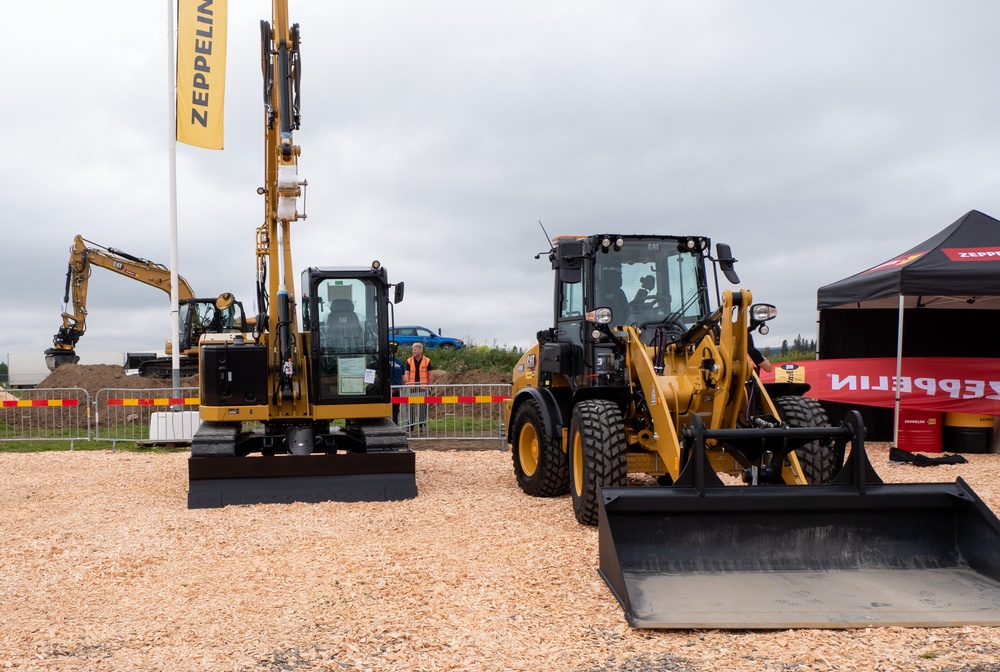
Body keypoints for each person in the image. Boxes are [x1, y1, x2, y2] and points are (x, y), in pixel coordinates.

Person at [404, 343, 433, 430]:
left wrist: (430, 386)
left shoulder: (427, 360)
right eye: (413, 349)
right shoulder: (409, 360)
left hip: (423, 387)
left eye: (415, 349)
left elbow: (430, 373)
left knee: (422, 406)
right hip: (412, 387)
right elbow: (407, 373)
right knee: (410, 406)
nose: (413, 351)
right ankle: (410, 424)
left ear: (420, 350)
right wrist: (408, 383)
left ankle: (422, 424)